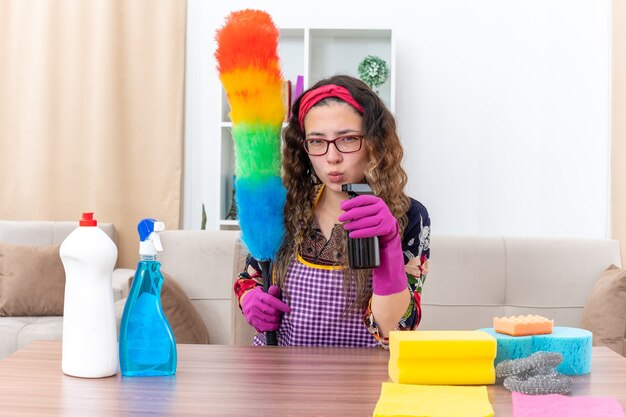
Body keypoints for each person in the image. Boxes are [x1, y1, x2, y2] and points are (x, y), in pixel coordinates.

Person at [233, 74, 430, 347]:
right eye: (317, 141)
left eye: (347, 139)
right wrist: (251, 301)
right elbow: (250, 279)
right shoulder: (286, 206)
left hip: (364, 379)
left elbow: (395, 330)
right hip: (281, 376)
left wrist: (389, 247)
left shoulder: (410, 216)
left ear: (375, 142)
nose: (332, 157)